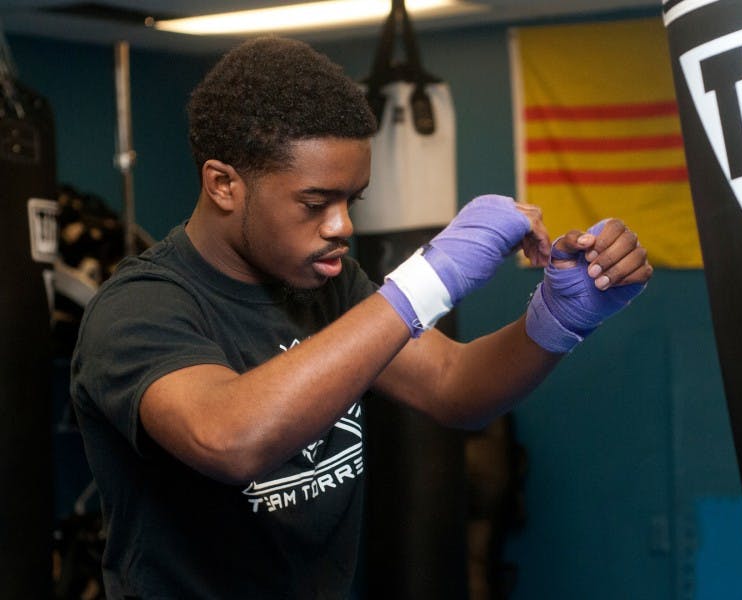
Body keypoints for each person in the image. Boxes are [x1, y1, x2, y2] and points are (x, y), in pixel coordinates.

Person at [70, 36, 652, 599]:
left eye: (353, 201)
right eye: (315, 202)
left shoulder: (326, 283)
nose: (342, 226)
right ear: (224, 184)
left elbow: (455, 386)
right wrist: (428, 281)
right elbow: (230, 438)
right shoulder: (137, 308)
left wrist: (559, 316)